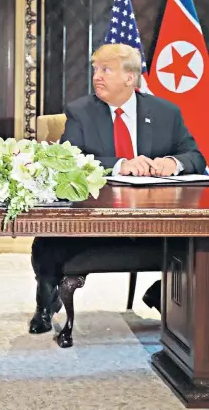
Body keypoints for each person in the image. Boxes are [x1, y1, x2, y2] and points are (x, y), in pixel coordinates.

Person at [29, 43, 206, 335]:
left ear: (130, 78)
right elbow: (69, 160)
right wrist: (119, 164)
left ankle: (162, 293)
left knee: (199, 242)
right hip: (94, 220)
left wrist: (173, 162)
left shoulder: (166, 112)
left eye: (105, 70)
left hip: (156, 222)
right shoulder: (80, 112)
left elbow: (195, 157)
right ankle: (46, 304)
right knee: (49, 234)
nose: (96, 76)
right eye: (95, 69)